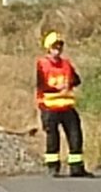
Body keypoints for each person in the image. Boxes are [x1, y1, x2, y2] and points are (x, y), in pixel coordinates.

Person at [35, 32, 93, 178]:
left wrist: (69, 83)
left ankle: (76, 167)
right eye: (55, 46)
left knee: (75, 136)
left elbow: (77, 80)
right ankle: (53, 167)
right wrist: (57, 87)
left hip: (67, 107)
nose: (58, 49)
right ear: (48, 48)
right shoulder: (42, 64)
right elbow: (41, 84)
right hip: (50, 107)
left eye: (60, 46)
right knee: (52, 138)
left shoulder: (66, 64)